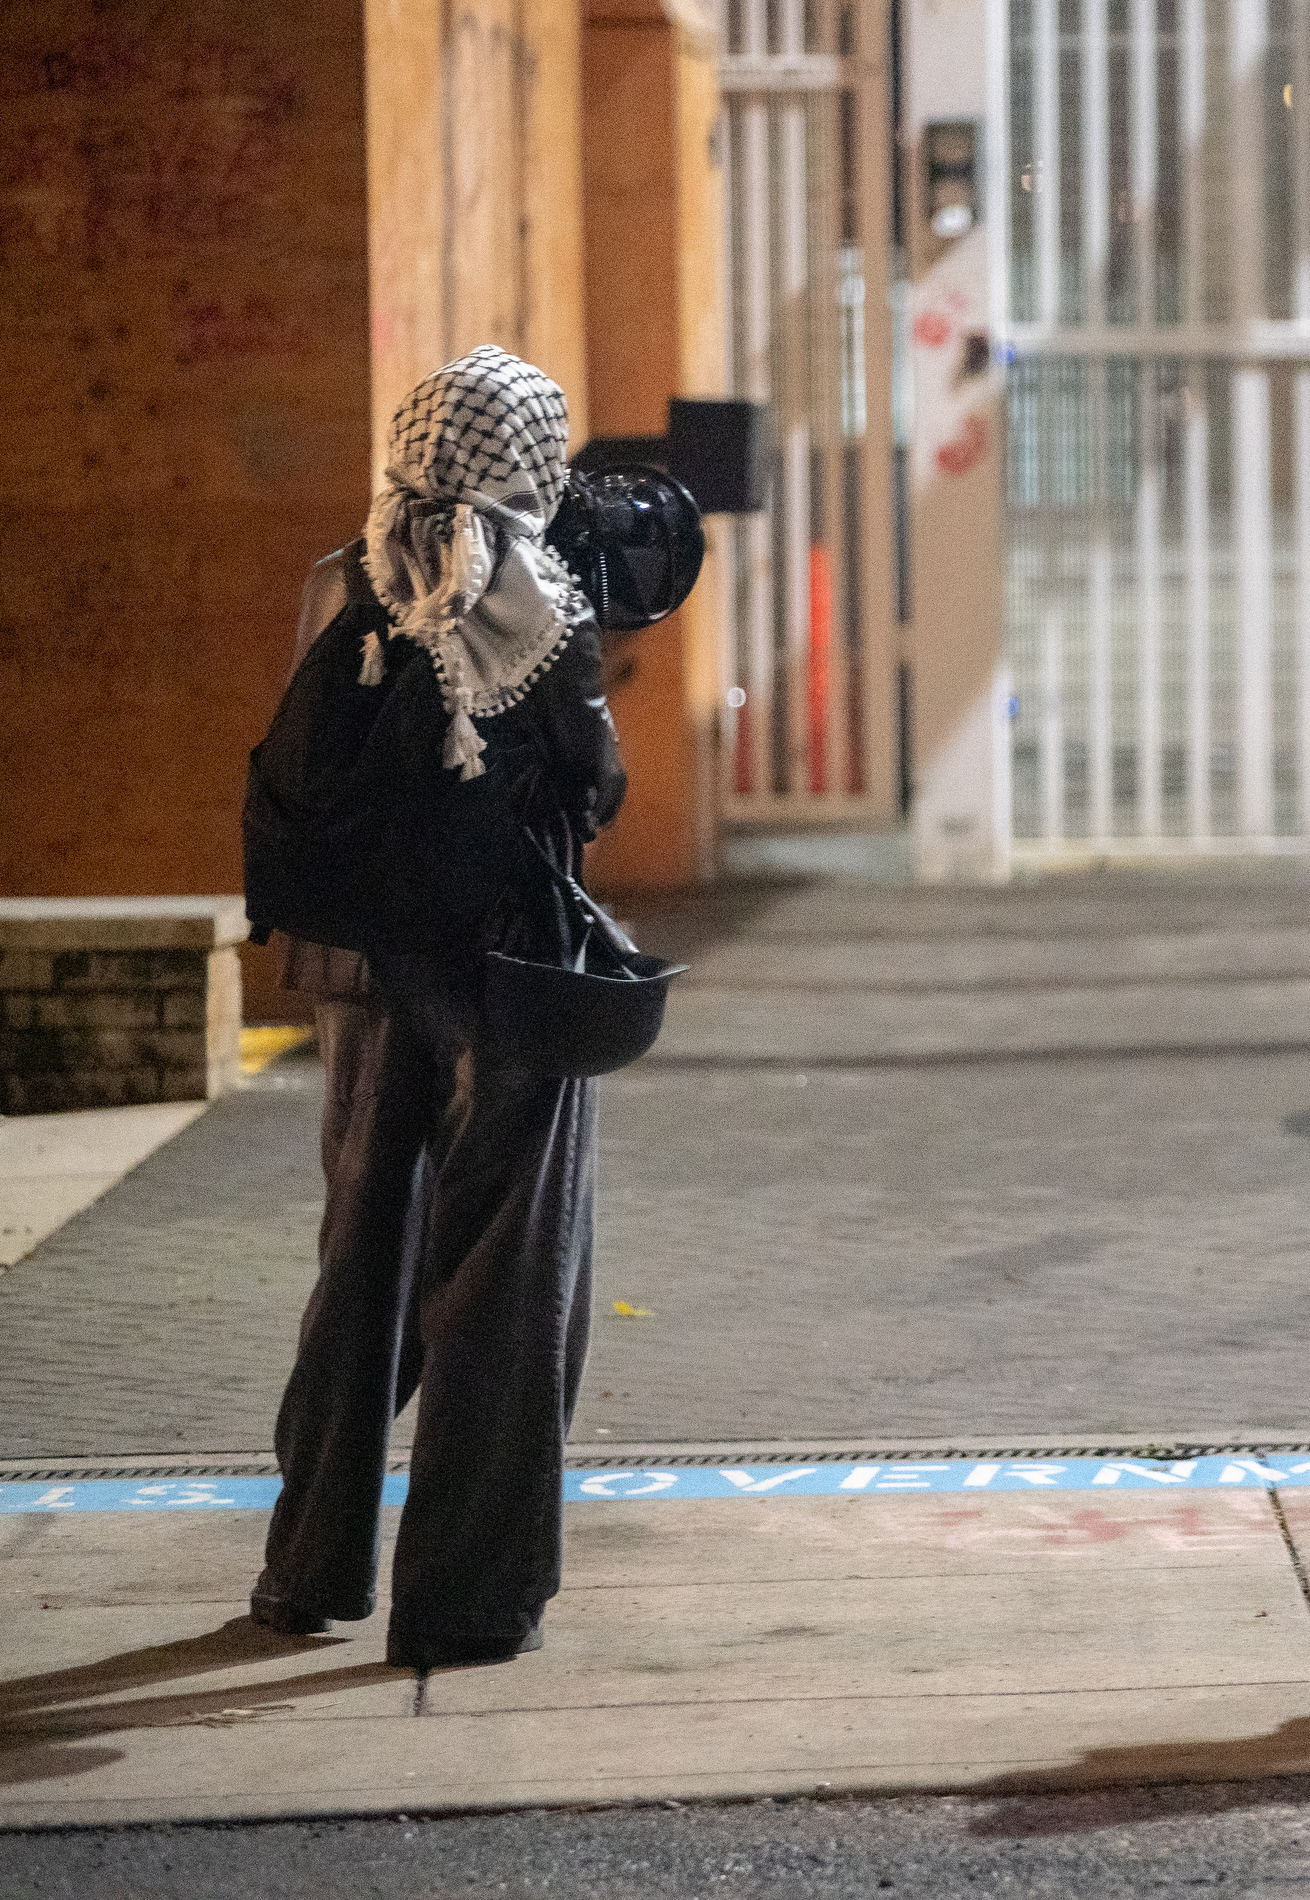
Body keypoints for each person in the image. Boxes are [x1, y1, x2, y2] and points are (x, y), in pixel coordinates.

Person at [249, 346, 626, 1670]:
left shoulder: (339, 575)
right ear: (525, 457)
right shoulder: (530, 590)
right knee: (500, 1275)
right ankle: (466, 1595)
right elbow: (593, 789)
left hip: (354, 977)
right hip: (500, 978)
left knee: (358, 1258)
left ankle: (307, 1572)